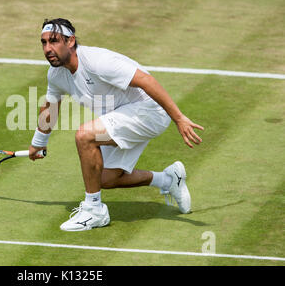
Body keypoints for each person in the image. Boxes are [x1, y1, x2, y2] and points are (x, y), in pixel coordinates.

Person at [29, 18, 204, 232]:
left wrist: (178, 118)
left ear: (71, 41)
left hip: (149, 111)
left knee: (85, 135)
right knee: (104, 178)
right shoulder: (56, 74)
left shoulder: (97, 61)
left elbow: (146, 80)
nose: (48, 48)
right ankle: (168, 180)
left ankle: (94, 211)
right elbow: (50, 106)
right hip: (121, 113)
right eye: (44, 43)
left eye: (54, 41)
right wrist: (39, 142)